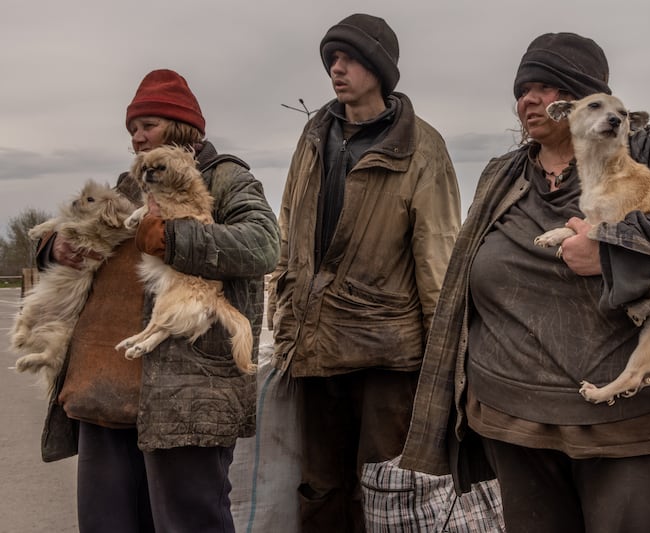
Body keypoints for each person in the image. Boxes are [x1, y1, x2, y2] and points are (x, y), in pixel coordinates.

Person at [400, 32, 650, 532]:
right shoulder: (504, 173)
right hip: (511, 422)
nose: (530, 100)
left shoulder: (646, 148)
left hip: (629, 431)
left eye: (548, 87)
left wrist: (614, 248)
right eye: (523, 89)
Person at [37, 68, 280, 532]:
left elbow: (263, 244)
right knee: (108, 521)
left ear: (183, 126)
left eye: (147, 124)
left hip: (187, 391)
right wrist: (54, 248)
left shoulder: (226, 177)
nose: (137, 137)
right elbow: (82, 224)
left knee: (188, 522)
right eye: (132, 129)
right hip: (107, 385)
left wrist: (175, 238)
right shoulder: (133, 186)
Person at [268, 13, 461, 532]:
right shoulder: (314, 135)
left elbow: (437, 256)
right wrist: (283, 318)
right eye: (331, 58)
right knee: (319, 488)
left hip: (387, 354)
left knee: (383, 492)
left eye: (348, 57)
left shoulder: (422, 145)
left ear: (378, 67)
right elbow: (290, 230)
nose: (336, 67)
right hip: (315, 345)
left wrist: (444, 367)